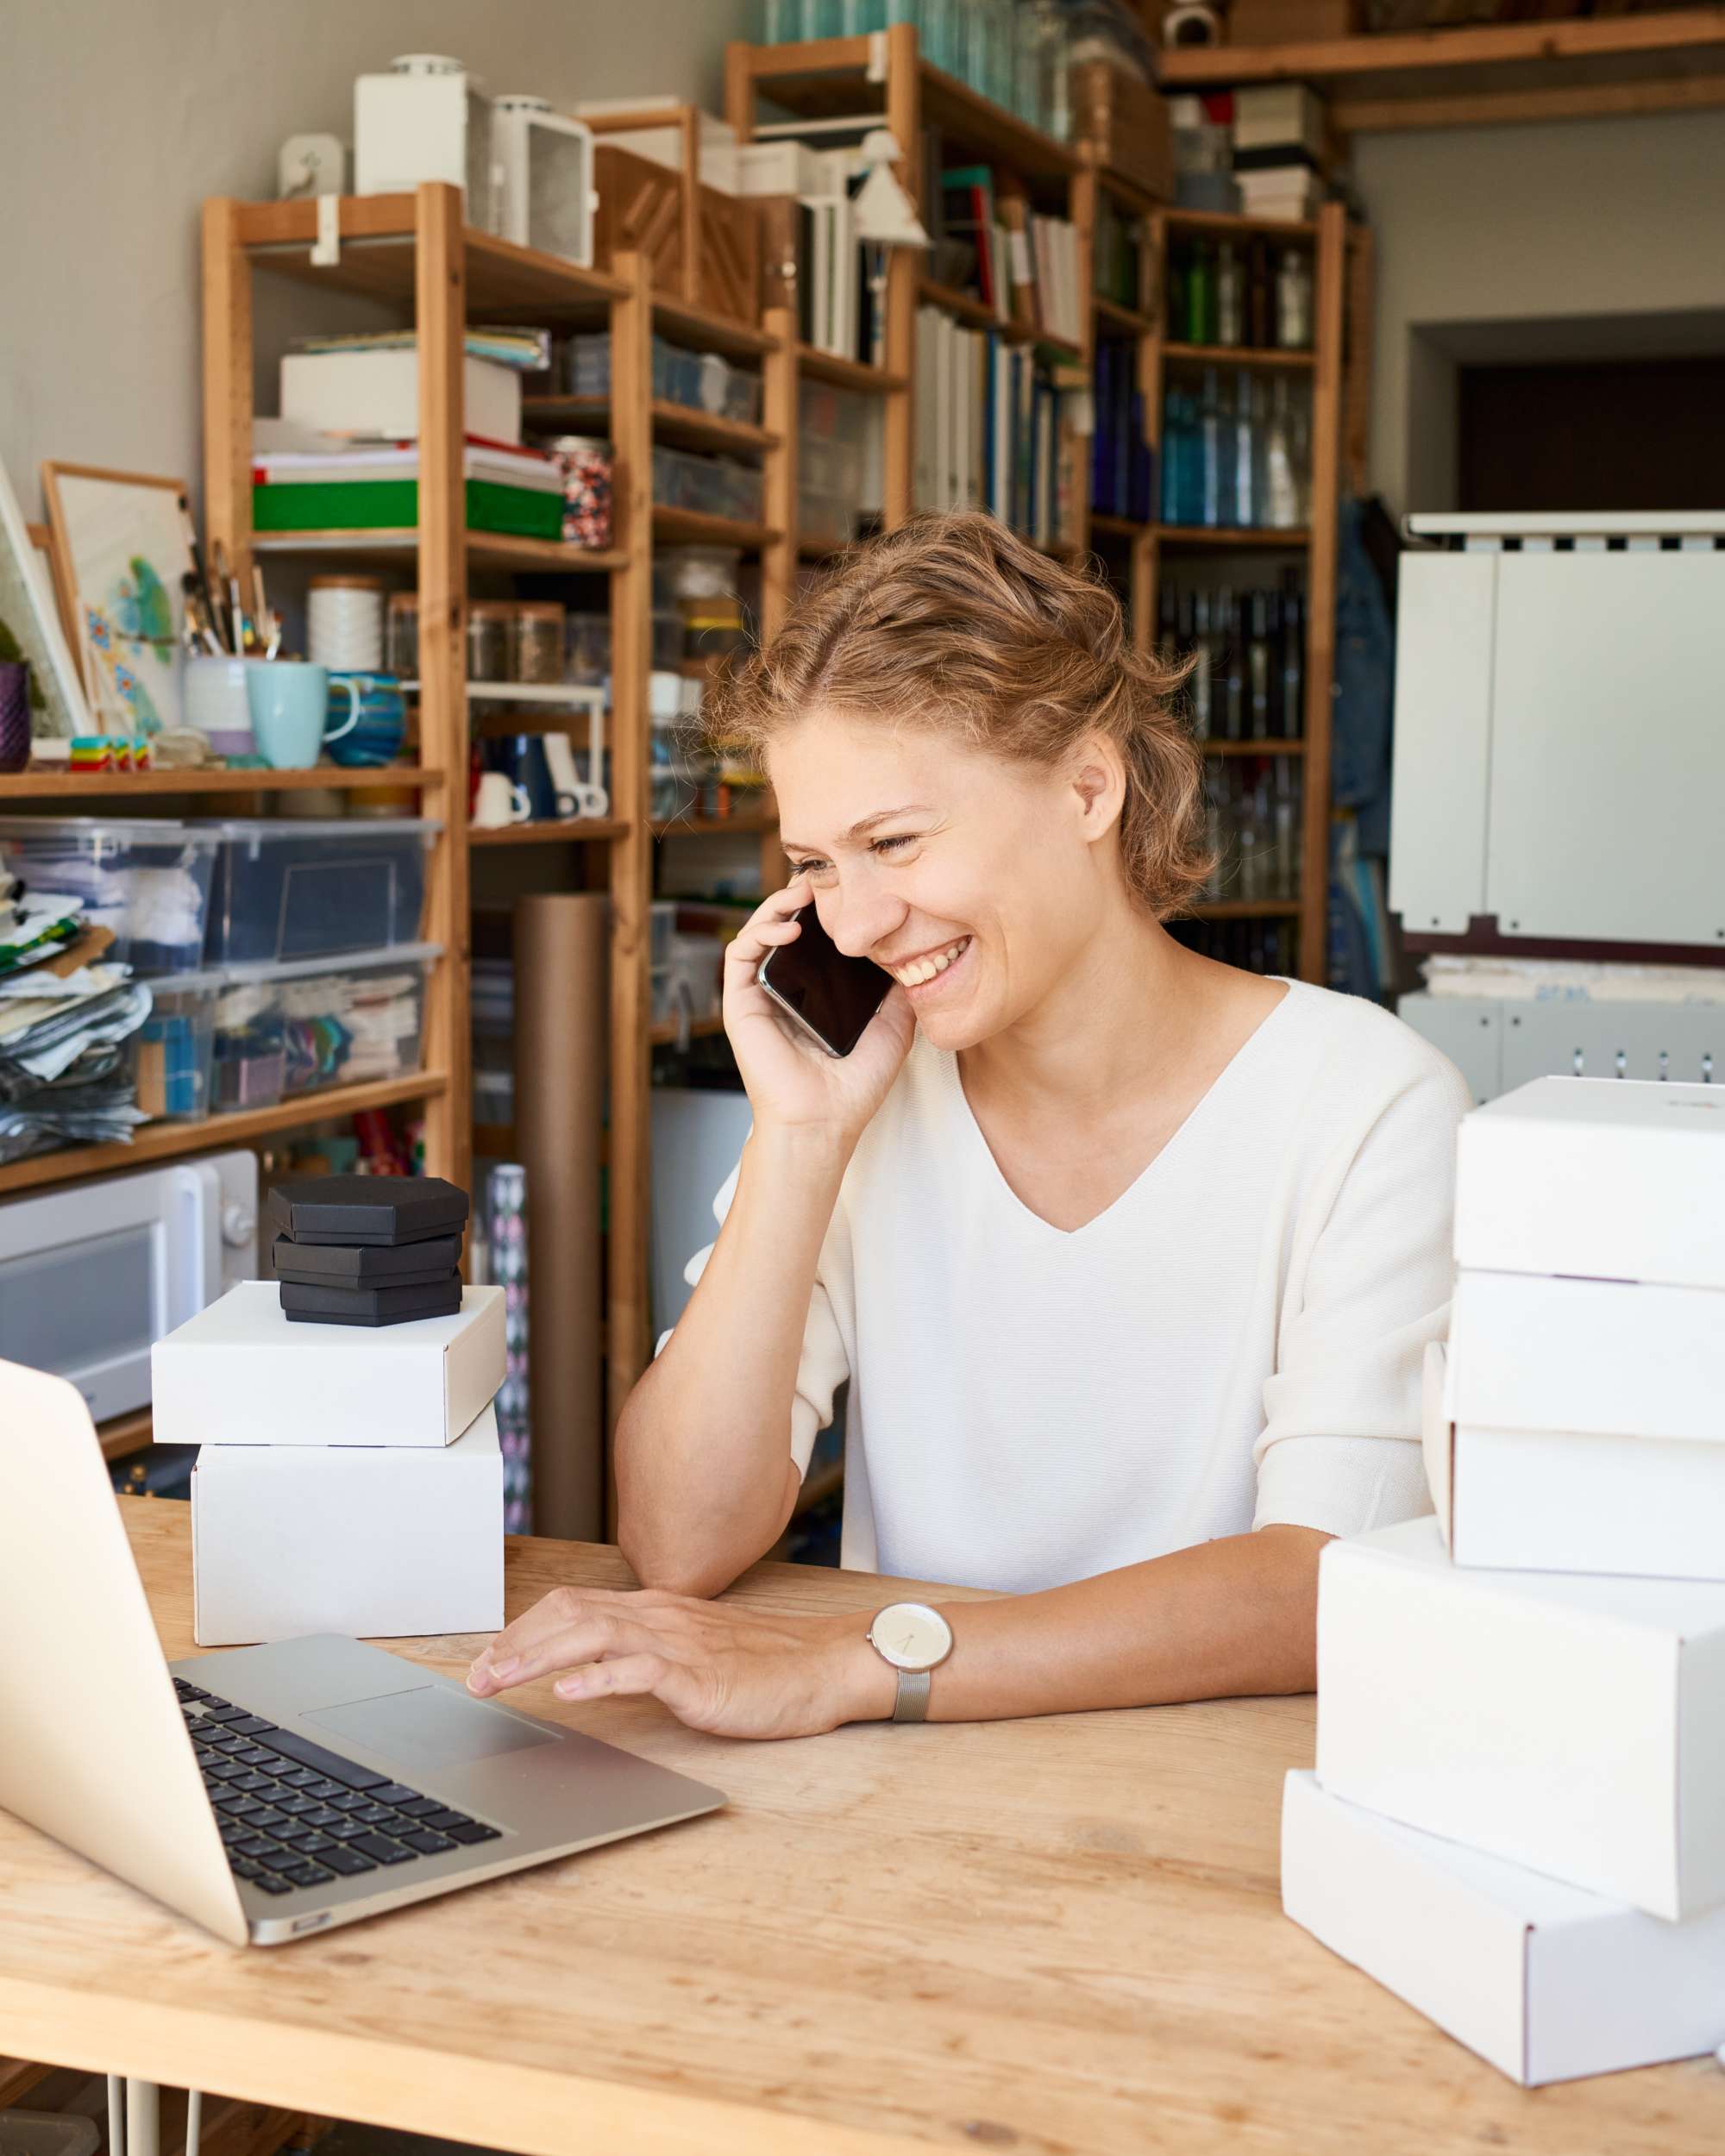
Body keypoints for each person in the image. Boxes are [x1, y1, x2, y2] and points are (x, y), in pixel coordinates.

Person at [467, 512, 1470, 1739]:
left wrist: (854, 1664)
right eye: (817, 864)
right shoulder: (868, 1100)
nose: (854, 922)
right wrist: (801, 1139)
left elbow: (1323, 1581)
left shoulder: (1371, 1106)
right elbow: (677, 1542)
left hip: (1214, 1814)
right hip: (913, 1807)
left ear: (1088, 788)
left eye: (894, 842)